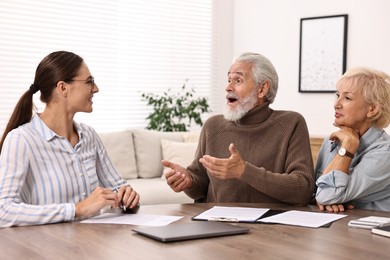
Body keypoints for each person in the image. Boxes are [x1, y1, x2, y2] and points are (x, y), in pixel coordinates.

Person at [0, 51, 140, 227]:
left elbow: (118, 187)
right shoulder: (21, 140)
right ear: (63, 88)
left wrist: (127, 197)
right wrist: (77, 209)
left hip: (91, 245)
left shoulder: (89, 136)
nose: (96, 88)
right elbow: (3, 211)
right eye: (89, 81)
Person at [162, 52, 314, 205]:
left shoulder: (291, 124)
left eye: (238, 80)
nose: (228, 87)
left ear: (262, 89)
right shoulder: (213, 126)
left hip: (271, 226)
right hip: (218, 223)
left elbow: (303, 189)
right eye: (229, 80)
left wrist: (244, 171)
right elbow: (201, 185)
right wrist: (188, 182)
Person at [315, 67, 390, 212]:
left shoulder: (385, 154)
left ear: (372, 109)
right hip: (335, 228)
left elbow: (325, 196)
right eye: (337, 95)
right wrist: (328, 198)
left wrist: (348, 147)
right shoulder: (331, 141)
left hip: (371, 232)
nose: (336, 104)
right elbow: (315, 193)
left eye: (347, 98)